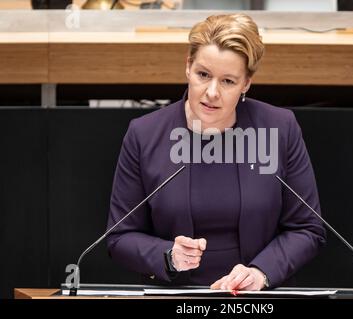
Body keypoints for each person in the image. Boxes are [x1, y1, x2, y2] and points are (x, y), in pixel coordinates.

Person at [106, 13, 326, 291]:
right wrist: (169, 257)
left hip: (255, 302)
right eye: (203, 75)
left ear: (246, 84)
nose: (211, 92)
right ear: (188, 66)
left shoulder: (280, 129)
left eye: (228, 82)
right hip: (177, 300)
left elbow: (308, 229)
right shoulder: (145, 134)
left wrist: (260, 273)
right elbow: (120, 236)